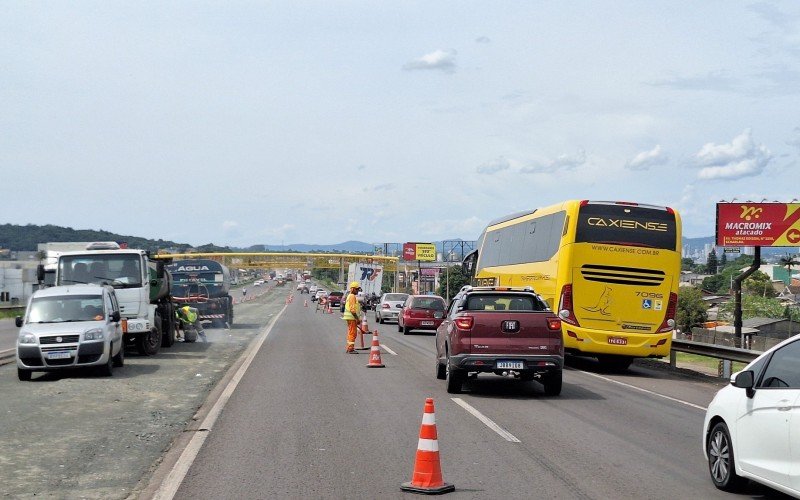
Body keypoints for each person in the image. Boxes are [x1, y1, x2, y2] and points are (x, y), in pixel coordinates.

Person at [341, 281, 362, 353]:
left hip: (350, 318)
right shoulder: (352, 296)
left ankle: (349, 347)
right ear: (352, 289)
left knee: (351, 333)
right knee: (352, 333)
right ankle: (350, 349)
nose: (357, 291)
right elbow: (352, 310)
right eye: (356, 289)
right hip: (352, 318)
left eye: (358, 289)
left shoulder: (350, 296)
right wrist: (357, 319)